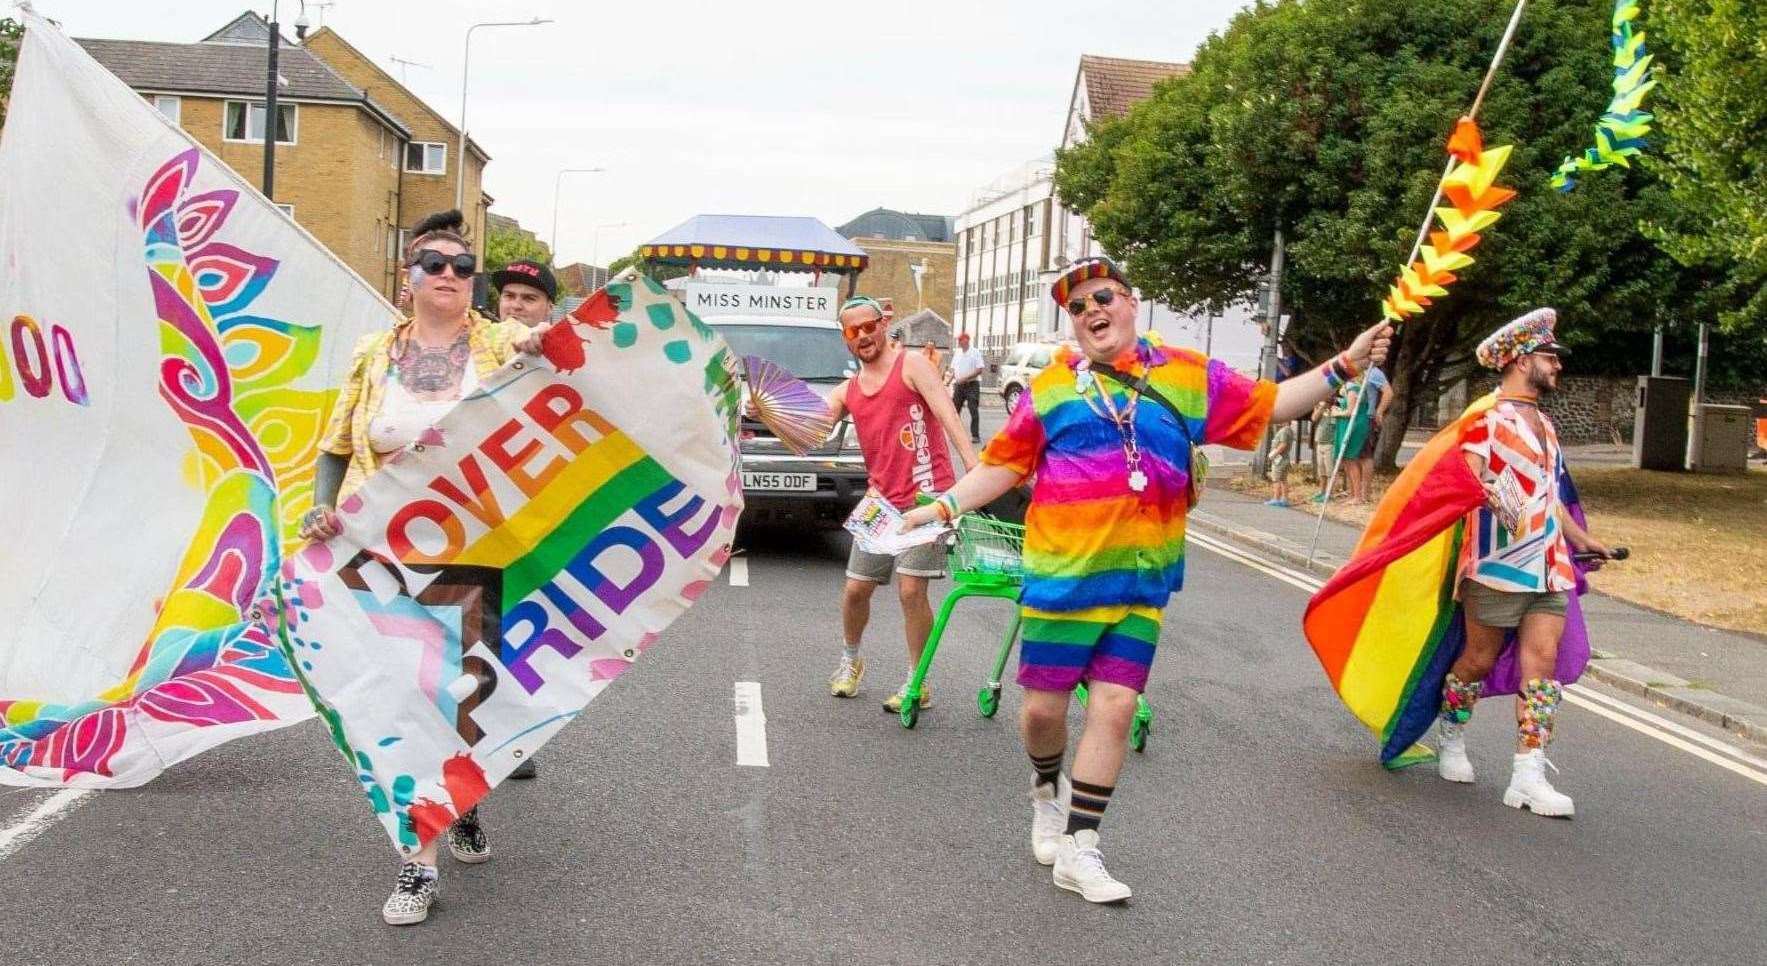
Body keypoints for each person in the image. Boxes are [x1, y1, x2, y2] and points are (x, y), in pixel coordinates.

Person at [901, 256, 1389, 903]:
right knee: (1043, 712)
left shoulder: (1186, 376)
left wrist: (1346, 364)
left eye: (1101, 297)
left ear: (1131, 303)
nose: (1090, 312)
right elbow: (999, 469)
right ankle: (1046, 792)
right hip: (1060, 580)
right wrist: (939, 507)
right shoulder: (1050, 389)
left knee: (1115, 706)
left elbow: (1274, 405)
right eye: (1076, 308)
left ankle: (1080, 847)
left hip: (1138, 584)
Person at [301, 212, 547, 926]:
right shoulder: (374, 353)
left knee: (462, 701)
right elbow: (336, 443)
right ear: (406, 278)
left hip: (478, 548)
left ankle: (462, 798)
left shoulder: (498, 342)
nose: (449, 275)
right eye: (433, 264)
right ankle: (419, 862)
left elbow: (543, 349)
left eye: (463, 268)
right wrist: (322, 510)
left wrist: (537, 337)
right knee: (404, 704)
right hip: (381, 553)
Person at [1435, 308, 1609, 816]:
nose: (1558, 366)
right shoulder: (1484, 422)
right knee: (1478, 661)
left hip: (1550, 565)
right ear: (1522, 360)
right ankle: (1450, 734)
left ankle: (1527, 773)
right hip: (1497, 566)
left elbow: (1552, 498)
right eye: (1551, 357)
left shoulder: (1548, 428)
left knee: (1543, 668)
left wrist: (1584, 539)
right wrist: (1488, 493)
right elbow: (1463, 485)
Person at [825, 296, 979, 711]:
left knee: (912, 590)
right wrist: (764, 413)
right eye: (853, 331)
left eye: (869, 326)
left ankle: (917, 680)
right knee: (856, 590)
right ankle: (850, 661)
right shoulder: (849, 389)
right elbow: (809, 430)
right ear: (846, 340)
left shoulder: (912, 365)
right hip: (880, 503)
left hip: (927, 497)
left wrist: (974, 469)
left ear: (883, 324)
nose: (864, 336)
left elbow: (948, 413)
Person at [487, 257, 558, 781]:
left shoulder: (563, 355)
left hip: (535, 508)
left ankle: (514, 740)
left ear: (548, 309)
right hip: (471, 508)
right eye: (509, 296)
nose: (516, 306)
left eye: (528, 299)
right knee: (475, 625)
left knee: (521, 630)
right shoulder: (477, 347)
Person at [493, 258, 558, 327]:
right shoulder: (483, 335)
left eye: (529, 298)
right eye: (509, 296)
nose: (516, 305)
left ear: (549, 308)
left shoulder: (564, 337)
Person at [949, 331, 986, 443]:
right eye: (958, 340)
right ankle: (955, 434)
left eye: (961, 340)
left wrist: (965, 378)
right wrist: (948, 381)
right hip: (959, 385)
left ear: (967, 340)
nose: (959, 342)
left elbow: (979, 370)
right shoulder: (957, 353)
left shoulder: (975, 352)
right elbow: (953, 370)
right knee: (955, 411)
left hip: (972, 385)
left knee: (973, 409)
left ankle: (975, 435)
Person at [1266, 420, 1297, 507]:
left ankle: (1276, 498)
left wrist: (1273, 455)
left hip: (1279, 459)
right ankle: (1284, 499)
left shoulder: (1284, 430)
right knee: (1283, 479)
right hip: (1285, 458)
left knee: (1276, 479)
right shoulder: (1289, 430)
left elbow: (1283, 444)